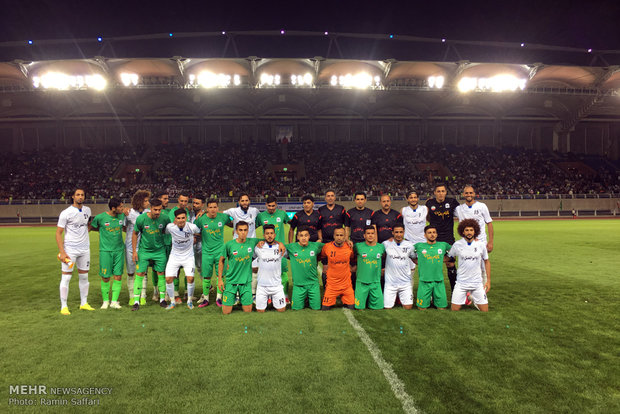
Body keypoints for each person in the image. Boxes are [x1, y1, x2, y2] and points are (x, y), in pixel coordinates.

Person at [56, 188, 95, 315]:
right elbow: (58, 233)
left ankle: (84, 303)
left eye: (82, 195)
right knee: (66, 277)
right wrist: (62, 252)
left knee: (84, 276)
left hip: (84, 249)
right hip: (70, 250)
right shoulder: (66, 213)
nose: (80, 197)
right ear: (73, 196)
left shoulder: (87, 210)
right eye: (77, 195)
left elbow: (86, 226)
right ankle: (64, 306)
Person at [131, 199, 171, 310]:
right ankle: (136, 301)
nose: (157, 212)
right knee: (140, 274)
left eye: (159, 210)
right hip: (144, 251)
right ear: (150, 208)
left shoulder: (165, 218)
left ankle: (162, 300)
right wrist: (135, 251)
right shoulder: (141, 219)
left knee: (161, 273)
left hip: (159, 251)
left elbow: (168, 231)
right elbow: (134, 234)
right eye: (155, 210)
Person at [194, 198, 232, 307]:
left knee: (221, 275)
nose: (213, 209)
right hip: (206, 252)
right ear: (207, 208)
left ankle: (219, 298)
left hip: (220, 251)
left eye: (215, 207)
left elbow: (234, 221)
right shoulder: (201, 219)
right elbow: (194, 230)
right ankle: (206, 299)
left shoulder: (223, 217)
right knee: (206, 276)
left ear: (218, 208)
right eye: (210, 207)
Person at [454, 185, 494, 288]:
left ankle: (482, 293)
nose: (469, 195)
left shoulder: (482, 206)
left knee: (483, 268)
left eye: (471, 193)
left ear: (474, 194)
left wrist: (490, 241)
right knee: (468, 267)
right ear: (463, 194)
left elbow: (489, 223)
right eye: (466, 193)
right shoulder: (459, 209)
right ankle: (469, 292)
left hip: (481, 241)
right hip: (465, 242)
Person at [89, 198, 126, 309]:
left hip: (119, 250)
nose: (122, 208)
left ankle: (114, 301)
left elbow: (125, 227)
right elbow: (92, 227)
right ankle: (105, 301)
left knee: (118, 276)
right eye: (120, 207)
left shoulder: (122, 216)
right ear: (113, 208)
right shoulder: (100, 217)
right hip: (105, 251)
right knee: (105, 277)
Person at [448, 219, 491, 312]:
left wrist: (488, 281)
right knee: (454, 310)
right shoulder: (457, 245)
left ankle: (471, 297)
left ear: (475, 231)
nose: (469, 232)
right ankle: (466, 296)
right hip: (461, 283)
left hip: (477, 283)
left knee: (485, 311)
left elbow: (487, 262)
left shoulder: (481, 245)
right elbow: (450, 257)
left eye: (471, 230)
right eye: (466, 230)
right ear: (462, 232)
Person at [218, 221, 260, 314]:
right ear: (236, 231)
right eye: (240, 230)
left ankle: (243, 298)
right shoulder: (229, 245)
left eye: (245, 230)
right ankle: (234, 297)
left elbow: (269, 239)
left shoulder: (252, 242)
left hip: (245, 282)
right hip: (231, 282)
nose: (243, 232)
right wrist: (220, 280)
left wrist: (280, 244)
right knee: (226, 312)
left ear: (248, 231)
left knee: (248, 311)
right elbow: (221, 261)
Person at [255, 195, 291, 303]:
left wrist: (289, 242)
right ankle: (269, 297)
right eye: (269, 206)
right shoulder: (261, 216)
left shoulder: (282, 214)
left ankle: (284, 295)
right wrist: (259, 241)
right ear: (266, 205)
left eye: (273, 206)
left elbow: (292, 226)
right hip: (266, 250)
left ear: (276, 205)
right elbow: (252, 229)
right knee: (267, 272)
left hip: (281, 249)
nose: (271, 208)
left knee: (283, 272)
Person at [163, 209, 201, 310]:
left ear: (186, 218)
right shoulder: (170, 227)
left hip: (188, 257)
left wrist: (194, 238)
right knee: (168, 279)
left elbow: (199, 232)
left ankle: (189, 301)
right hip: (174, 256)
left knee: (190, 278)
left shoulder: (192, 227)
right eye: (178, 218)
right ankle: (172, 301)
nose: (181, 220)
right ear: (175, 219)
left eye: (183, 218)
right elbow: (165, 232)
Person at [425, 184, 459, 293]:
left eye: (443, 191)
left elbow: (462, 213)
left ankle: (455, 290)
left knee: (450, 263)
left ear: (445, 192)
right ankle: (432, 292)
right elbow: (426, 216)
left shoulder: (452, 202)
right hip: (434, 238)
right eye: (438, 191)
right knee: (434, 264)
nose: (440, 193)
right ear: (434, 193)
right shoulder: (429, 203)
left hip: (448, 238)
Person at [413, 225, 451, 310]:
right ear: (425, 235)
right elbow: (409, 252)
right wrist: (415, 260)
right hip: (424, 281)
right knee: (421, 308)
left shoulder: (443, 245)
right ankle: (428, 299)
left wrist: (447, 259)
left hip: (439, 281)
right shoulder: (419, 246)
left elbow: (454, 251)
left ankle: (434, 299)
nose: (432, 234)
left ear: (437, 234)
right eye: (429, 233)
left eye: (434, 232)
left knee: (442, 308)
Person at [285, 227, 324, 310]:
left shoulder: (316, 246)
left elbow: (330, 246)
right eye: (301, 235)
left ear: (309, 236)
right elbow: (277, 245)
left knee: (316, 308)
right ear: (297, 237)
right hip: (298, 285)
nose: (303, 238)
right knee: (296, 309)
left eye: (306, 235)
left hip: (313, 284)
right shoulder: (291, 247)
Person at [125, 190, 151, 305]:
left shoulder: (148, 212)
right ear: (139, 201)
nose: (148, 203)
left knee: (143, 272)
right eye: (145, 201)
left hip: (143, 247)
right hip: (130, 247)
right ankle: (132, 296)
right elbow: (124, 227)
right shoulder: (129, 213)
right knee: (131, 272)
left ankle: (143, 296)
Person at [253, 225, 286, 313]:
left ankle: (273, 300)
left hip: (276, 285)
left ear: (274, 235)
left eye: (271, 233)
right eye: (267, 233)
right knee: (260, 311)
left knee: (281, 310)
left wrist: (280, 243)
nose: (269, 235)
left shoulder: (281, 247)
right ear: (264, 235)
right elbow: (251, 258)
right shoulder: (258, 248)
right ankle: (266, 300)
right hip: (262, 286)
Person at [320, 227, 355, 310]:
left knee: (352, 307)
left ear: (345, 236)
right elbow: (323, 255)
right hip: (332, 286)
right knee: (324, 308)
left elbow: (353, 258)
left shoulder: (349, 247)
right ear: (334, 236)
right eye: (337, 235)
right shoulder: (327, 247)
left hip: (346, 286)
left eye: (341, 235)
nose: (339, 237)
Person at [382, 224, 416, 310]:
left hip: (405, 283)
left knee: (408, 307)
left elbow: (414, 259)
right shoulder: (386, 244)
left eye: (401, 232)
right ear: (392, 233)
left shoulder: (409, 245)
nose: (399, 234)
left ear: (404, 233)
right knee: (387, 308)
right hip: (390, 283)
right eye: (396, 232)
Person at [345, 192, 374, 288]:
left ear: (365, 200)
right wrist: (347, 239)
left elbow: (374, 229)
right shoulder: (349, 213)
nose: (360, 201)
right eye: (358, 199)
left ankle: (366, 288)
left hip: (366, 244)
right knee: (353, 269)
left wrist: (373, 242)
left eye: (362, 199)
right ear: (355, 200)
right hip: (354, 243)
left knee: (366, 267)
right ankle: (353, 289)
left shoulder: (370, 212)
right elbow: (347, 228)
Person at [353, 226, 385, 310]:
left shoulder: (381, 247)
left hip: (375, 283)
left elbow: (385, 257)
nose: (370, 235)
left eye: (372, 233)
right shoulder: (358, 246)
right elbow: (350, 256)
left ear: (375, 235)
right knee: (359, 308)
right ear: (364, 235)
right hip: (361, 282)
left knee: (379, 308)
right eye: (368, 233)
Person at [168, 193, 191, 304]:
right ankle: (176, 294)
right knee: (176, 271)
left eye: (185, 201)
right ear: (178, 200)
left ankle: (187, 293)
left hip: (188, 247)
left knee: (188, 270)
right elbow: (175, 228)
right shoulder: (173, 212)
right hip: (176, 247)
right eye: (181, 201)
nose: (183, 203)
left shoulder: (188, 212)